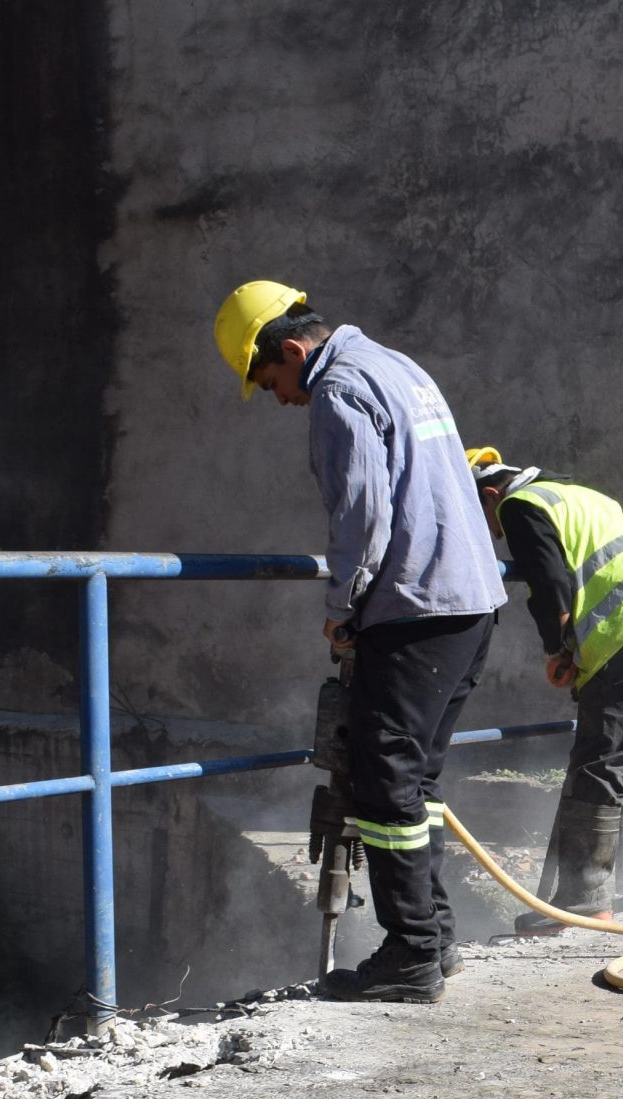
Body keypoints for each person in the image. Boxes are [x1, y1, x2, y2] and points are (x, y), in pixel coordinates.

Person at [214, 279, 505, 1003]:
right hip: (469, 602)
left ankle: (411, 953)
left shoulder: (338, 390)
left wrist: (342, 605)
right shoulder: (396, 365)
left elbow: (362, 511)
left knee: (383, 780)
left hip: (415, 609)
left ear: (291, 350)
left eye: (272, 383)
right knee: (416, 781)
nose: (281, 400)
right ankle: (435, 936)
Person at [468, 449, 623, 927]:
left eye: (479, 516)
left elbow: (549, 582)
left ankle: (583, 899)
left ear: (491, 494)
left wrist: (559, 650)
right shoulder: (578, 495)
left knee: (601, 762)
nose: (488, 532)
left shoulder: (520, 505)